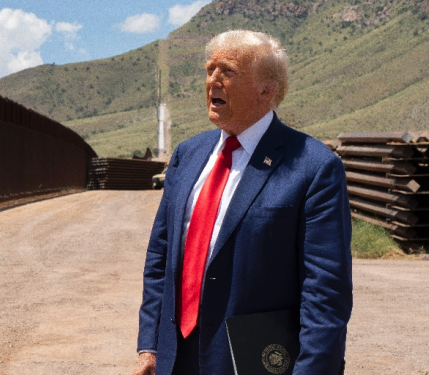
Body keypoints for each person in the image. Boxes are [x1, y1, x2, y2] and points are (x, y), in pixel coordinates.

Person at [132, 30, 352, 375]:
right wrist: (149, 346)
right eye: (209, 70)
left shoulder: (313, 166)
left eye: (228, 71)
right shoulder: (187, 156)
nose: (213, 81)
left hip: (253, 360)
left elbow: (325, 288)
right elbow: (160, 257)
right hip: (177, 357)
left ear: (267, 90)